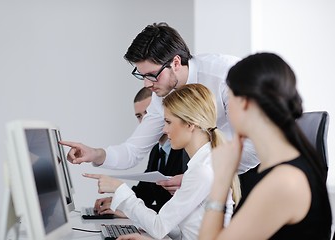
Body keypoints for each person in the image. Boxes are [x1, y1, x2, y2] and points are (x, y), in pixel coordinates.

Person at [60, 22, 259, 194]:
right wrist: (95, 153)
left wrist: (197, 177)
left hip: (254, 172)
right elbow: (133, 150)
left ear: (176, 62)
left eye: (152, 75)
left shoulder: (226, 75)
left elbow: (256, 147)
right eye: (142, 75)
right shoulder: (161, 94)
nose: (147, 85)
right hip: (210, 176)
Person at [196, 52, 332, 239]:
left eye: (229, 96)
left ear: (244, 103)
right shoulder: (280, 168)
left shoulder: (284, 181)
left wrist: (221, 179)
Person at [83, 84, 240, 240]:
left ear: (190, 124)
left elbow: (159, 227)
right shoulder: (204, 164)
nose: (164, 130)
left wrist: (120, 189)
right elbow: (186, 231)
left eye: (168, 122)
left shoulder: (202, 170)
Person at [95, 87, 189, 217]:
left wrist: (129, 210)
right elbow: (145, 192)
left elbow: (176, 212)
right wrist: (118, 202)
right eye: (140, 116)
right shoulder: (157, 150)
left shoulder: (186, 152)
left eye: (149, 114)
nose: (146, 121)